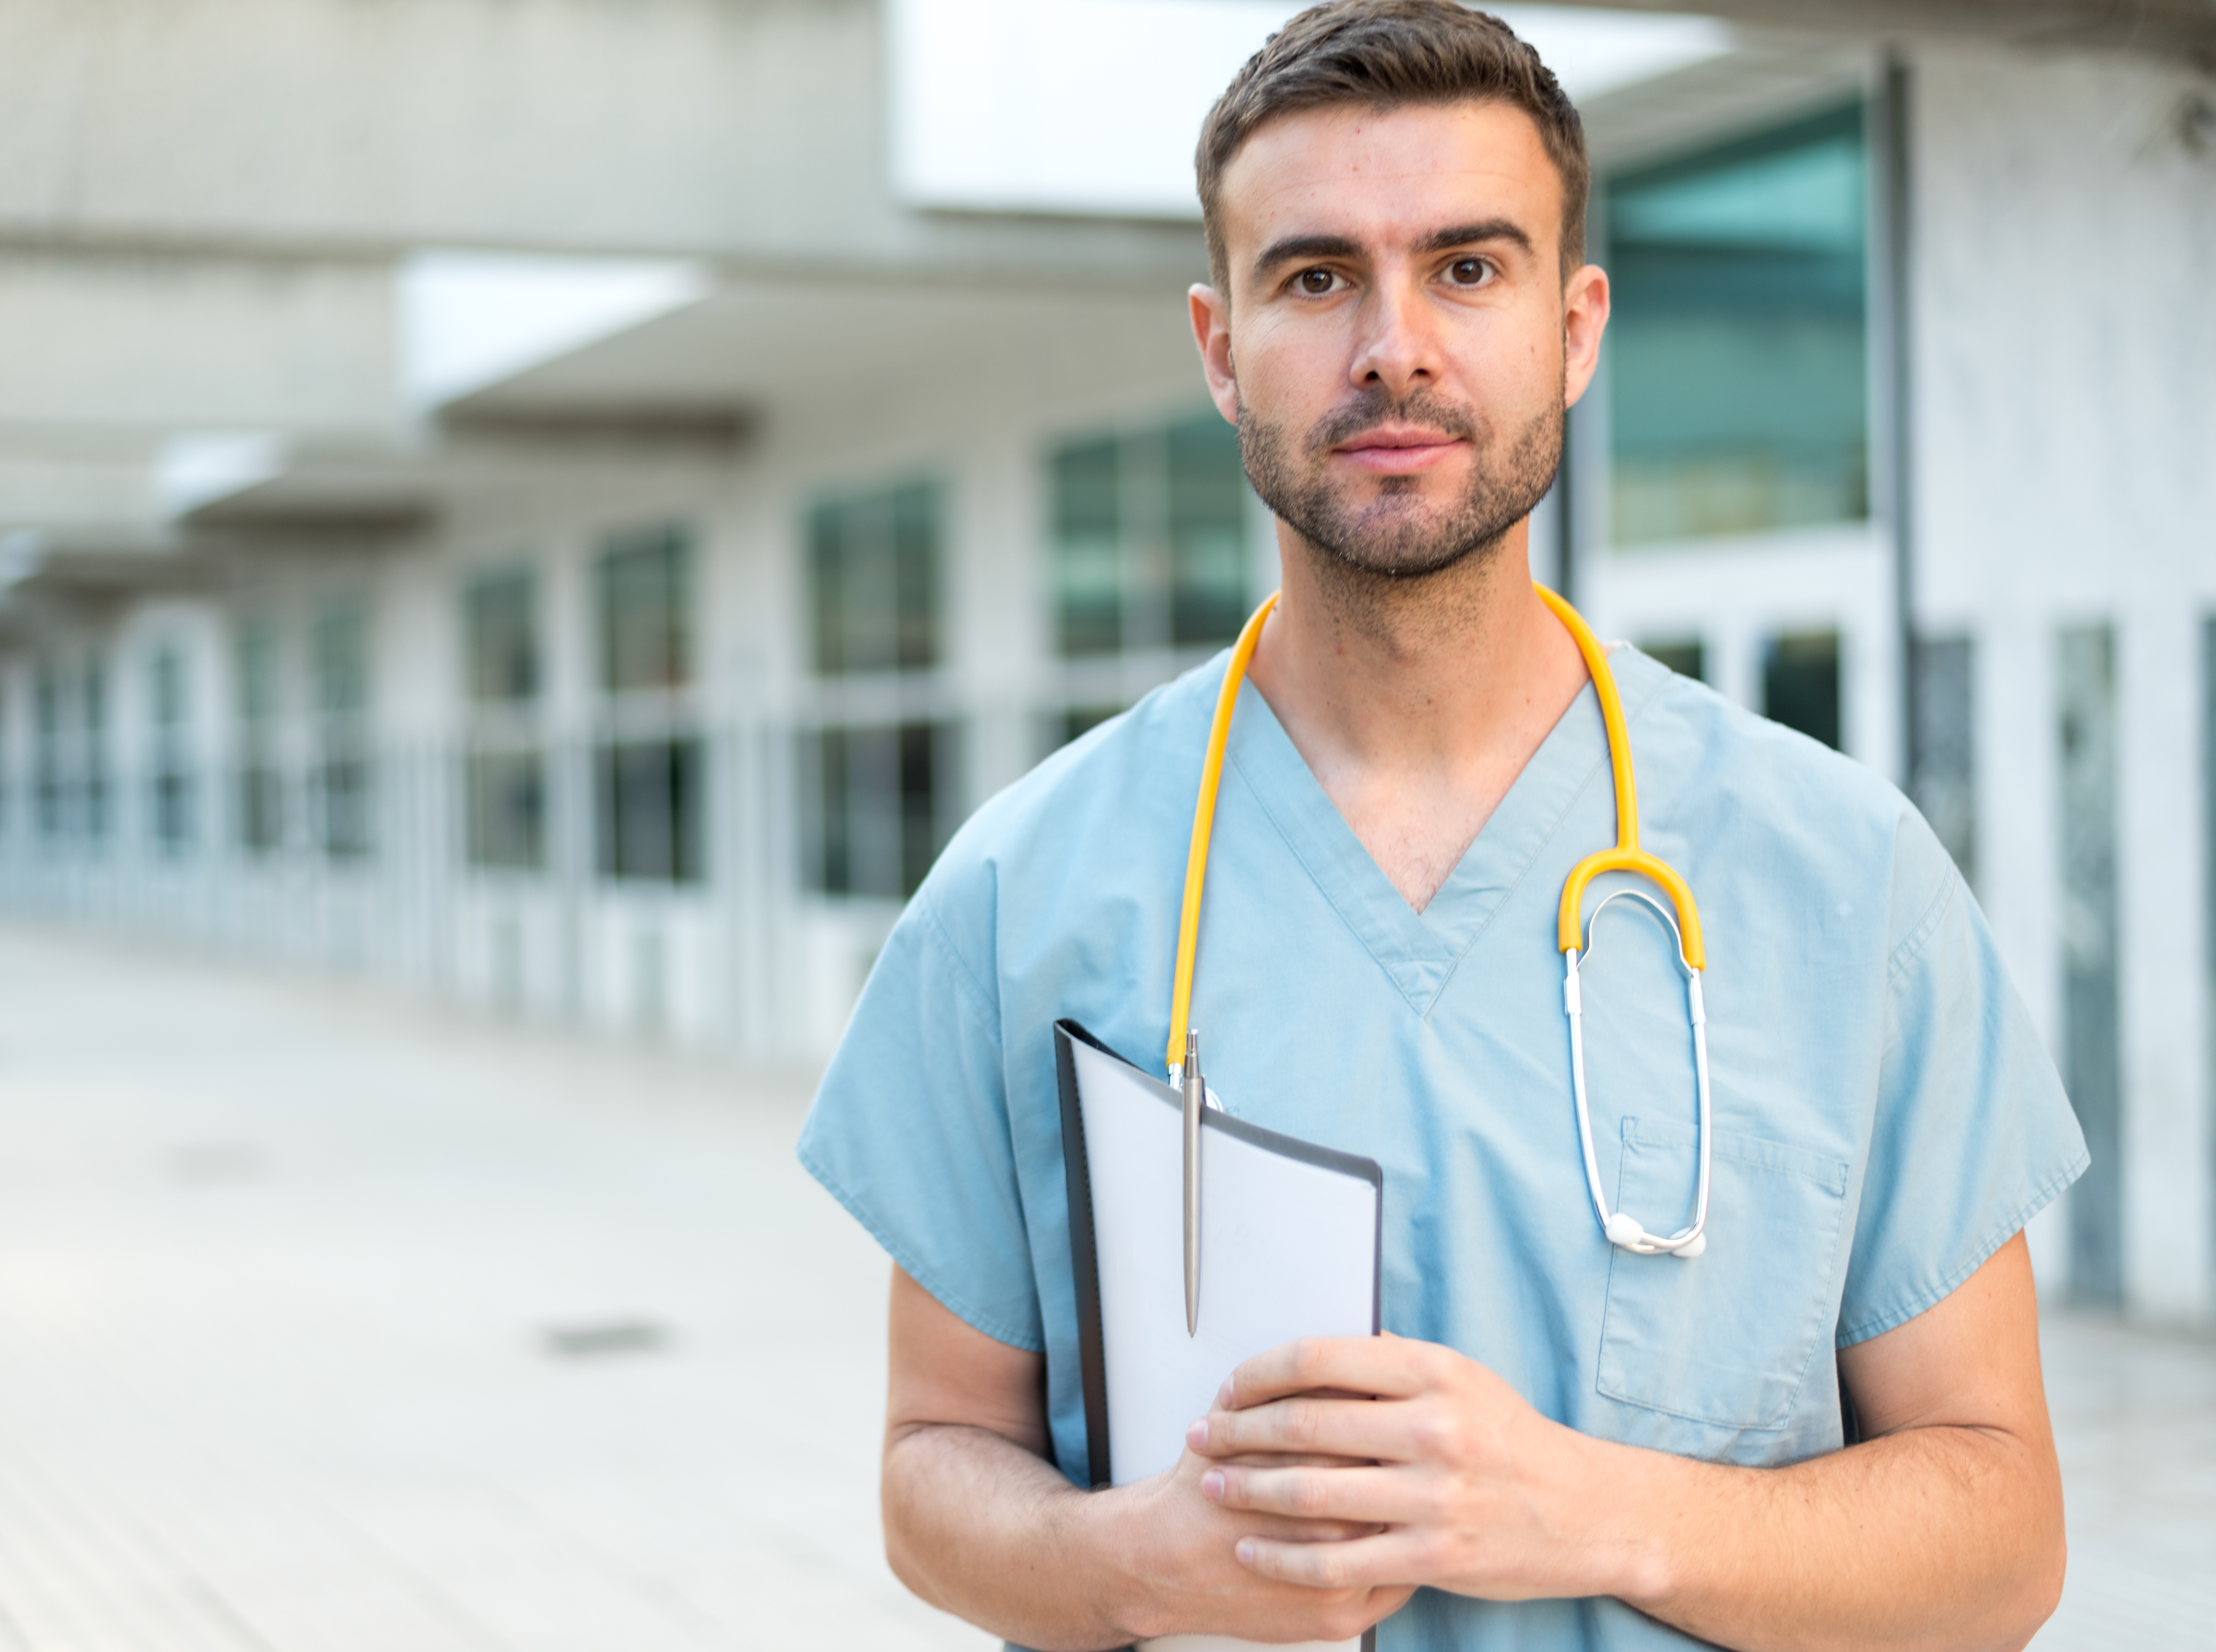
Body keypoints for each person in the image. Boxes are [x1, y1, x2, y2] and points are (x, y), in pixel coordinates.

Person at [796, 3, 2088, 1647]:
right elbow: (932, 1462)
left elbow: (2004, 1534)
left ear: (1573, 327)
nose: (1391, 346)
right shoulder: (1025, 887)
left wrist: (1599, 1510)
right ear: (1217, 345)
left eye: (1467, 269)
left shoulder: (1838, 875)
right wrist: (1139, 1559)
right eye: (1315, 276)